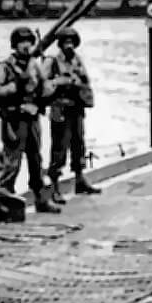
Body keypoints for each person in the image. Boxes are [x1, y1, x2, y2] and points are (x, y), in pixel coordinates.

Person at [0, 27, 61, 213]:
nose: (26, 45)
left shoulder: (34, 64)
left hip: (32, 118)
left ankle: (41, 200)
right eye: (22, 42)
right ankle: (4, 202)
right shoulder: (5, 67)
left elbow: (44, 87)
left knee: (36, 160)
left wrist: (50, 88)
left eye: (29, 41)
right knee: (12, 162)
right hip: (14, 120)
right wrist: (14, 86)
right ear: (15, 45)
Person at [42, 27, 101, 204]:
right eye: (65, 42)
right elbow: (43, 86)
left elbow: (86, 81)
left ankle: (80, 179)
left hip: (76, 108)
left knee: (78, 144)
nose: (69, 46)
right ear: (60, 44)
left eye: (71, 42)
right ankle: (54, 187)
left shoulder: (77, 60)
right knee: (59, 149)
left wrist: (78, 82)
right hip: (60, 109)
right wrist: (60, 81)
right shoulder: (51, 62)